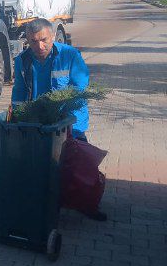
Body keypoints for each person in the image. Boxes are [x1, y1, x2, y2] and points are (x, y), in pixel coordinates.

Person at [9, 17, 107, 221]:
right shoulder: (22, 61)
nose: (39, 46)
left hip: (71, 123)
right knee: (33, 162)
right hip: (39, 122)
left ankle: (86, 203)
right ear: (27, 40)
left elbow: (80, 89)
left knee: (78, 166)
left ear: (53, 35)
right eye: (33, 41)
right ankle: (20, 196)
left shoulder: (70, 56)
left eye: (44, 39)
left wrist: (59, 114)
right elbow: (19, 92)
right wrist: (17, 117)